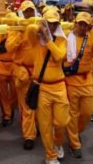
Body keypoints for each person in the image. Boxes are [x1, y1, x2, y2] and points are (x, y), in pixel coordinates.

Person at [56, 12, 93, 159]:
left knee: (88, 111)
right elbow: (60, 57)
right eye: (81, 23)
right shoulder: (66, 38)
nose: (83, 27)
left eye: (86, 24)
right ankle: (74, 143)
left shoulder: (90, 37)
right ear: (75, 23)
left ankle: (75, 132)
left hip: (87, 80)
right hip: (71, 81)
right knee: (72, 113)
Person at [26, 9, 69, 164]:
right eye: (48, 23)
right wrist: (39, 27)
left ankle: (58, 143)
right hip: (42, 87)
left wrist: (48, 39)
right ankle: (50, 155)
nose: (51, 26)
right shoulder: (35, 39)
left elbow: (59, 57)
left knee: (61, 122)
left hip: (59, 87)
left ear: (58, 24)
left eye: (54, 23)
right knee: (45, 125)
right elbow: (29, 29)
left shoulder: (62, 40)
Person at [6, 0, 39, 150]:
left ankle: (38, 128)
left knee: (39, 104)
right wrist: (20, 32)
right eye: (26, 11)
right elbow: (9, 47)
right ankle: (29, 135)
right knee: (26, 106)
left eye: (31, 10)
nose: (29, 14)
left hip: (39, 72)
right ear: (22, 13)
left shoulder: (39, 26)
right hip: (23, 72)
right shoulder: (16, 28)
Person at [0, 12, 18, 127]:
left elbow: (14, 46)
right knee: (2, 93)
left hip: (13, 65)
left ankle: (11, 108)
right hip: (1, 65)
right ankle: (6, 114)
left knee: (15, 91)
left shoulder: (17, 32)